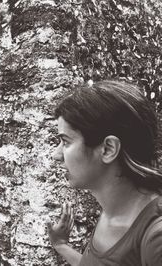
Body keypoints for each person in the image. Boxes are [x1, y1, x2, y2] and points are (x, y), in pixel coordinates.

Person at [48, 80, 162, 265]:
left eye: (66, 141)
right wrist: (61, 245)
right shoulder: (114, 210)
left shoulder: (155, 238)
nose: (56, 155)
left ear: (108, 149)